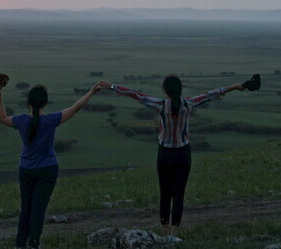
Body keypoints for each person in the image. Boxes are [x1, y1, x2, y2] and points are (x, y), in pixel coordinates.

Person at [99, 74, 259, 240]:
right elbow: (212, 93)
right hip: (183, 153)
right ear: (180, 90)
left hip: (165, 154)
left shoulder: (160, 105)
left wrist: (111, 86)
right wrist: (236, 86)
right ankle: (174, 235)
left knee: (165, 194)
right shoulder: (189, 103)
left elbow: (135, 94)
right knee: (179, 195)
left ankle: (164, 233)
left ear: (165, 91)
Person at [0, 81, 102, 249]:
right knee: (39, 208)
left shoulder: (21, 120)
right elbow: (75, 108)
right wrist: (92, 91)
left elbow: (2, 118)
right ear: (45, 103)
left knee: (26, 208)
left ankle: (19, 244)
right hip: (47, 169)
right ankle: (34, 243)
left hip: (26, 168)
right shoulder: (51, 120)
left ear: (28, 103)